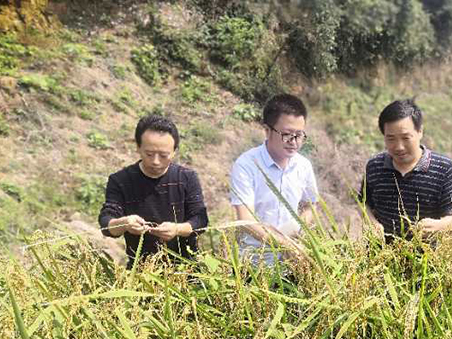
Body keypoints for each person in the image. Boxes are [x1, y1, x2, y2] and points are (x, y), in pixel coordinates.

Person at [98, 115, 208, 267]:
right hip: (140, 270)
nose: (156, 161)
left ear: (174, 151)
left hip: (186, 268)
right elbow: (106, 224)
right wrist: (124, 223)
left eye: (163, 155)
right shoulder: (120, 180)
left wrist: (177, 229)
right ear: (138, 147)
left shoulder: (186, 178)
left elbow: (200, 220)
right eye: (149, 154)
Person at [229, 94, 318, 266]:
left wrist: (297, 232)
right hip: (254, 263)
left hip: (292, 262)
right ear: (267, 130)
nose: (293, 142)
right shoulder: (246, 165)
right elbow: (246, 220)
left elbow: (310, 206)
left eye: (299, 135)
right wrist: (284, 244)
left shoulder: (304, 166)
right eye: (287, 134)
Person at [359, 99, 452, 239]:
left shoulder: (444, 168)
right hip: (380, 251)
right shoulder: (375, 165)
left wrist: (440, 225)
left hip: (426, 252)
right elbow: (363, 203)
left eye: (406, 138)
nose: (399, 147)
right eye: (391, 139)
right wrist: (371, 223)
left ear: (420, 132)